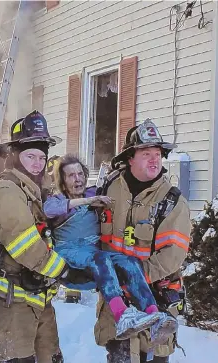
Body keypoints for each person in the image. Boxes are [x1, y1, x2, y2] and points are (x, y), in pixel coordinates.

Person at [44, 155, 177, 342]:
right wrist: (87, 202)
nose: (78, 179)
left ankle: (153, 314)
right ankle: (121, 314)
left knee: (129, 261)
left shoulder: (93, 193)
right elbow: (48, 211)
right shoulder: (56, 200)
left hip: (93, 252)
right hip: (70, 251)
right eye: (71, 175)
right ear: (63, 182)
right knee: (101, 258)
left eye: (80, 173)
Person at [0, 110, 69, 363]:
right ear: (14, 157)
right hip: (10, 309)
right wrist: (65, 271)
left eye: (42, 157)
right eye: (30, 156)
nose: (38, 163)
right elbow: (25, 246)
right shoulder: (7, 191)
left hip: (36, 302)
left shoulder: (31, 192)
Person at [94, 119, 192, 363]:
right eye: (146, 153)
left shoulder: (172, 201)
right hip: (116, 306)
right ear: (130, 158)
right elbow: (92, 232)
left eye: (157, 154)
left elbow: (173, 254)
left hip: (154, 302)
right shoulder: (109, 189)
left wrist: (132, 278)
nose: (154, 159)